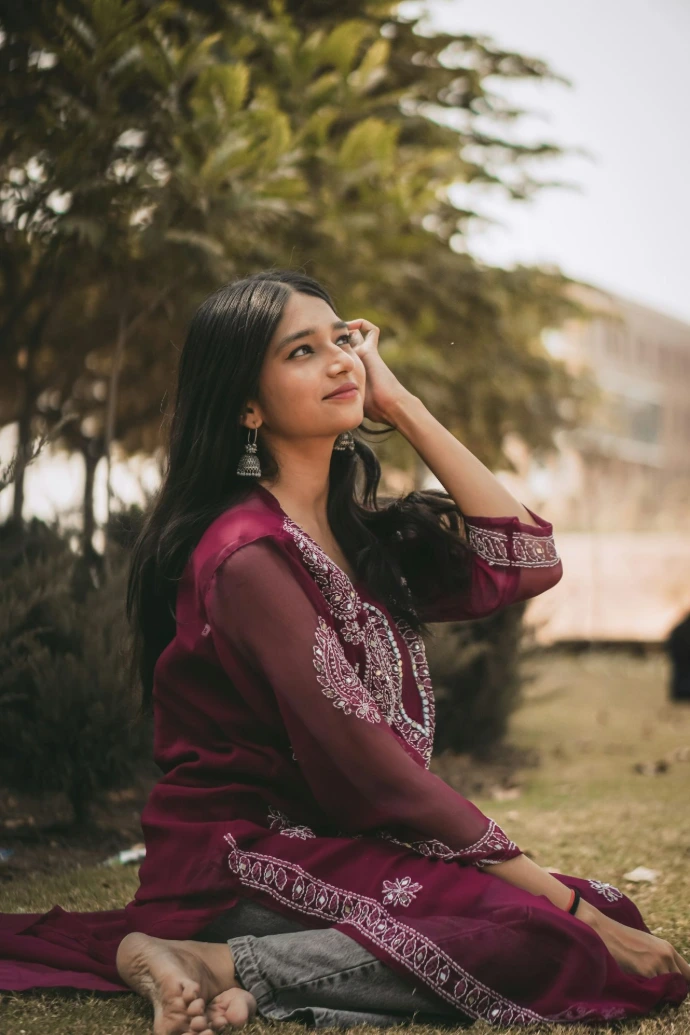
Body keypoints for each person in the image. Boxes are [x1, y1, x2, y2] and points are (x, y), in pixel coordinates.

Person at [0, 271, 688, 1035]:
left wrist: (402, 405)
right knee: (555, 931)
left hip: (344, 845)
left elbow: (525, 562)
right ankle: (215, 958)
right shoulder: (245, 555)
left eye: (345, 341)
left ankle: (239, 970)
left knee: (605, 911)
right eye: (303, 350)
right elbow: (375, 769)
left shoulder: (356, 536)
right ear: (247, 404)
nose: (340, 361)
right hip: (239, 856)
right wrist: (569, 909)